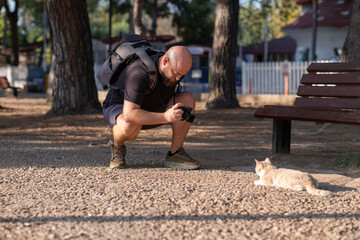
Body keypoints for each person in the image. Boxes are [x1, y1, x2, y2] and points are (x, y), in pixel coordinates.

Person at [102, 45, 201, 170]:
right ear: (165, 61)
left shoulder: (174, 71)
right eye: (176, 73)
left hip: (150, 106)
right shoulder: (139, 71)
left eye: (182, 75)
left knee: (187, 100)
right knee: (129, 125)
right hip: (121, 108)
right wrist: (165, 117)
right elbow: (130, 114)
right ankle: (118, 147)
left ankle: (175, 153)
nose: (178, 78)